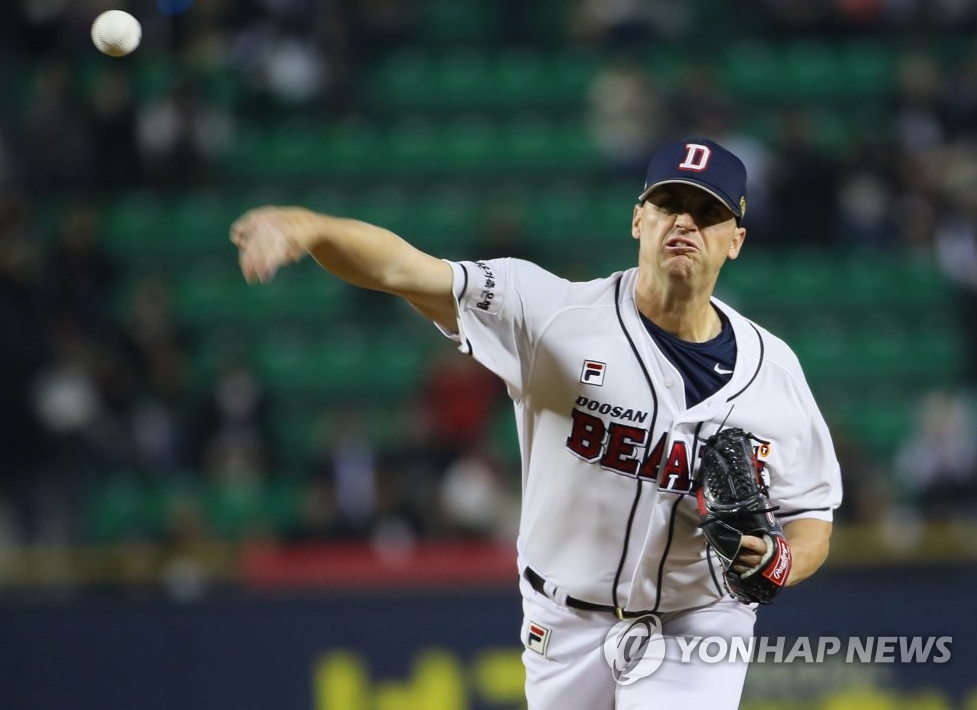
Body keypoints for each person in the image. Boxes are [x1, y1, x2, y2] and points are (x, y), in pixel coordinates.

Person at [230, 136, 843, 709]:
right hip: (564, 620)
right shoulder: (552, 316)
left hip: (699, 619)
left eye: (705, 212)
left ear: (734, 239)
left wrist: (783, 559)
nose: (683, 222)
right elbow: (405, 271)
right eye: (668, 204)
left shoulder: (774, 372)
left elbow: (812, 513)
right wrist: (311, 228)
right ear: (638, 220)